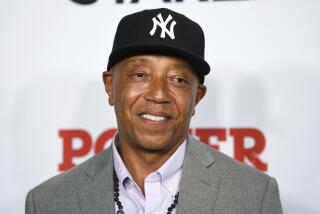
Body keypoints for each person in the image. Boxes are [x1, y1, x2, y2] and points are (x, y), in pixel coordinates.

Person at [25, 8, 282, 214]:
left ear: (197, 97)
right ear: (109, 87)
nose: (158, 94)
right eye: (140, 74)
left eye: (178, 79)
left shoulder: (255, 196)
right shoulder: (47, 202)